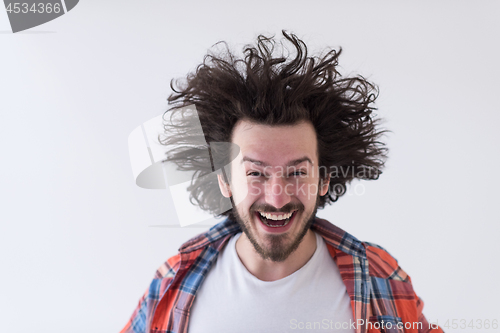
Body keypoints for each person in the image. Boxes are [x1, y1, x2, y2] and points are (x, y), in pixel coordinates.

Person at [120, 31, 443, 333]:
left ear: (324, 180)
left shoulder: (379, 276)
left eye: (297, 173)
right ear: (225, 182)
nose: (277, 198)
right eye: (256, 173)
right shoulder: (173, 278)